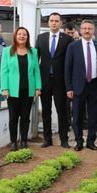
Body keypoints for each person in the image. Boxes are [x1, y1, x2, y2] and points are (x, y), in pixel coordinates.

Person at [1, 27, 41, 150]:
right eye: (19, 34)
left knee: (25, 117)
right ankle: (13, 142)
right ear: (15, 36)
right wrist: (5, 88)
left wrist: (38, 87)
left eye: (24, 34)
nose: (22, 36)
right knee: (13, 118)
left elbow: (36, 71)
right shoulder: (7, 51)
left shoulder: (33, 52)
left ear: (27, 37)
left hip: (28, 89)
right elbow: (4, 71)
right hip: (12, 91)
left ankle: (24, 141)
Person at [65, 20, 97, 151]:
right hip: (77, 86)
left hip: (94, 85)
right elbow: (67, 68)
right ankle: (79, 141)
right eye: (84, 28)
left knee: (93, 116)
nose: (87, 31)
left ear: (93, 30)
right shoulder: (73, 46)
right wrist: (69, 87)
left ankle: (91, 142)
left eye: (89, 29)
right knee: (77, 116)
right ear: (80, 30)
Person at [37, 13, 73, 148]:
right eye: (51, 21)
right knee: (46, 112)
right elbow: (36, 60)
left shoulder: (67, 39)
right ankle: (47, 139)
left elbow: (70, 62)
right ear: (48, 23)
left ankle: (64, 139)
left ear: (60, 23)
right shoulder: (41, 38)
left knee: (62, 111)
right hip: (45, 80)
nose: (53, 23)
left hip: (60, 81)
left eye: (56, 21)